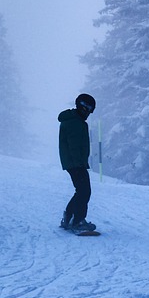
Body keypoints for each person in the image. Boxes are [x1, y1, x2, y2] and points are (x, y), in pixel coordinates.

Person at [58, 93, 96, 232]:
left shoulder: (75, 120)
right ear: (83, 107)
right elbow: (73, 144)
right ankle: (78, 221)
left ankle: (69, 217)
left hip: (74, 162)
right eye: (89, 109)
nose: (89, 113)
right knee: (84, 191)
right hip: (75, 163)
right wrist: (79, 163)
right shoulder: (74, 122)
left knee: (81, 190)